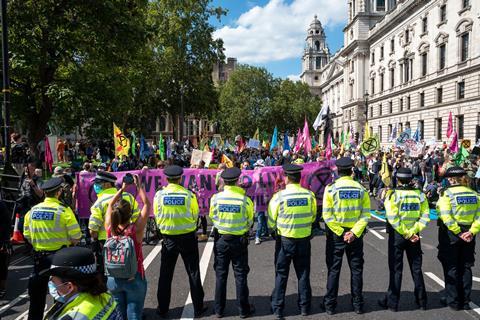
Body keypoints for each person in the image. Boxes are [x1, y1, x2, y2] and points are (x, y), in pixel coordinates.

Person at [23, 177, 82, 320]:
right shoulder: (64, 211)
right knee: (62, 298)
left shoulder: (32, 211)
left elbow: (27, 235)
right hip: (60, 259)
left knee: (36, 301)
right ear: (58, 192)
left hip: (39, 259)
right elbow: (76, 237)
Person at [154, 165, 207, 318]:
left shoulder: (159, 195)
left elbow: (156, 215)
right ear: (180, 178)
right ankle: (198, 306)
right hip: (187, 238)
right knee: (193, 272)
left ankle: (162, 308)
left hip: (168, 238)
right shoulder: (189, 195)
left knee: (165, 273)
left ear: (167, 178)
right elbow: (195, 215)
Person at [322, 157, 370, 315]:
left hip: (337, 235)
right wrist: (354, 232)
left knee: (334, 269)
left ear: (337, 171)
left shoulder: (331, 189)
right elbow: (365, 214)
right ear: (351, 171)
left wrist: (341, 232)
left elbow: (327, 216)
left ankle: (330, 305)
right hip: (355, 235)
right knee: (356, 270)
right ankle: (358, 304)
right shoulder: (361, 189)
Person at [268, 164, 317, 319]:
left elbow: (271, 220)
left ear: (287, 178)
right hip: (303, 240)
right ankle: (304, 307)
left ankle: (278, 308)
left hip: (285, 240)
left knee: (281, 274)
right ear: (299, 178)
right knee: (303, 273)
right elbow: (313, 216)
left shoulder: (279, 197)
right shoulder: (309, 196)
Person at [378, 168, 430, 312]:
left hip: (398, 236)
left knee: (396, 269)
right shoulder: (419, 195)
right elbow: (425, 215)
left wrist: (406, 233)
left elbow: (392, 218)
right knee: (416, 268)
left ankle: (393, 303)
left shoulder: (393, 195)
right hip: (414, 235)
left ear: (398, 179)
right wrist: (413, 231)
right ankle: (422, 302)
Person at [209, 167, 255, 318]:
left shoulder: (215, 198)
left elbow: (213, 217)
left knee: (221, 275)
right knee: (240, 275)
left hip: (221, 239)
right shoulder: (245, 200)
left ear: (224, 181)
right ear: (237, 181)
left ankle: (218, 310)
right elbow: (250, 221)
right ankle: (243, 310)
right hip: (239, 241)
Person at [104, 174, 150, 319]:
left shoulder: (109, 228)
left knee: (119, 314)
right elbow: (147, 205)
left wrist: (122, 189)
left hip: (113, 277)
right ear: (130, 213)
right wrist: (138, 186)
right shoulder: (135, 229)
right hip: (134, 276)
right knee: (134, 313)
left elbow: (111, 205)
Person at [437, 166, 480, 311]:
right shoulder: (475, 194)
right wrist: (472, 231)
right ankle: (465, 300)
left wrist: (458, 232)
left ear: (451, 179)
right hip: (469, 233)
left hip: (451, 234)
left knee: (451, 266)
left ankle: (453, 300)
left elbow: (445, 216)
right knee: (466, 266)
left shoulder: (447, 194)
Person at [43, 247, 123, 320]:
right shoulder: (105, 295)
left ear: (69, 287)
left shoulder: (72, 317)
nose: (51, 284)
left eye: (53, 281)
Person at [88, 171, 139, 276]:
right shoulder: (128, 197)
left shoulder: (99, 202)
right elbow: (137, 219)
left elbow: (93, 230)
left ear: (107, 184)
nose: (95, 186)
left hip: (107, 242)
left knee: (110, 270)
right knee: (130, 268)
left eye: (98, 183)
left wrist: (96, 240)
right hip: (128, 240)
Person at [0, 197, 12, 298]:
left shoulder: (1, 205)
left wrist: (6, 241)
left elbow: (7, 223)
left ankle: (2, 288)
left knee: (2, 265)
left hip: (1, 240)